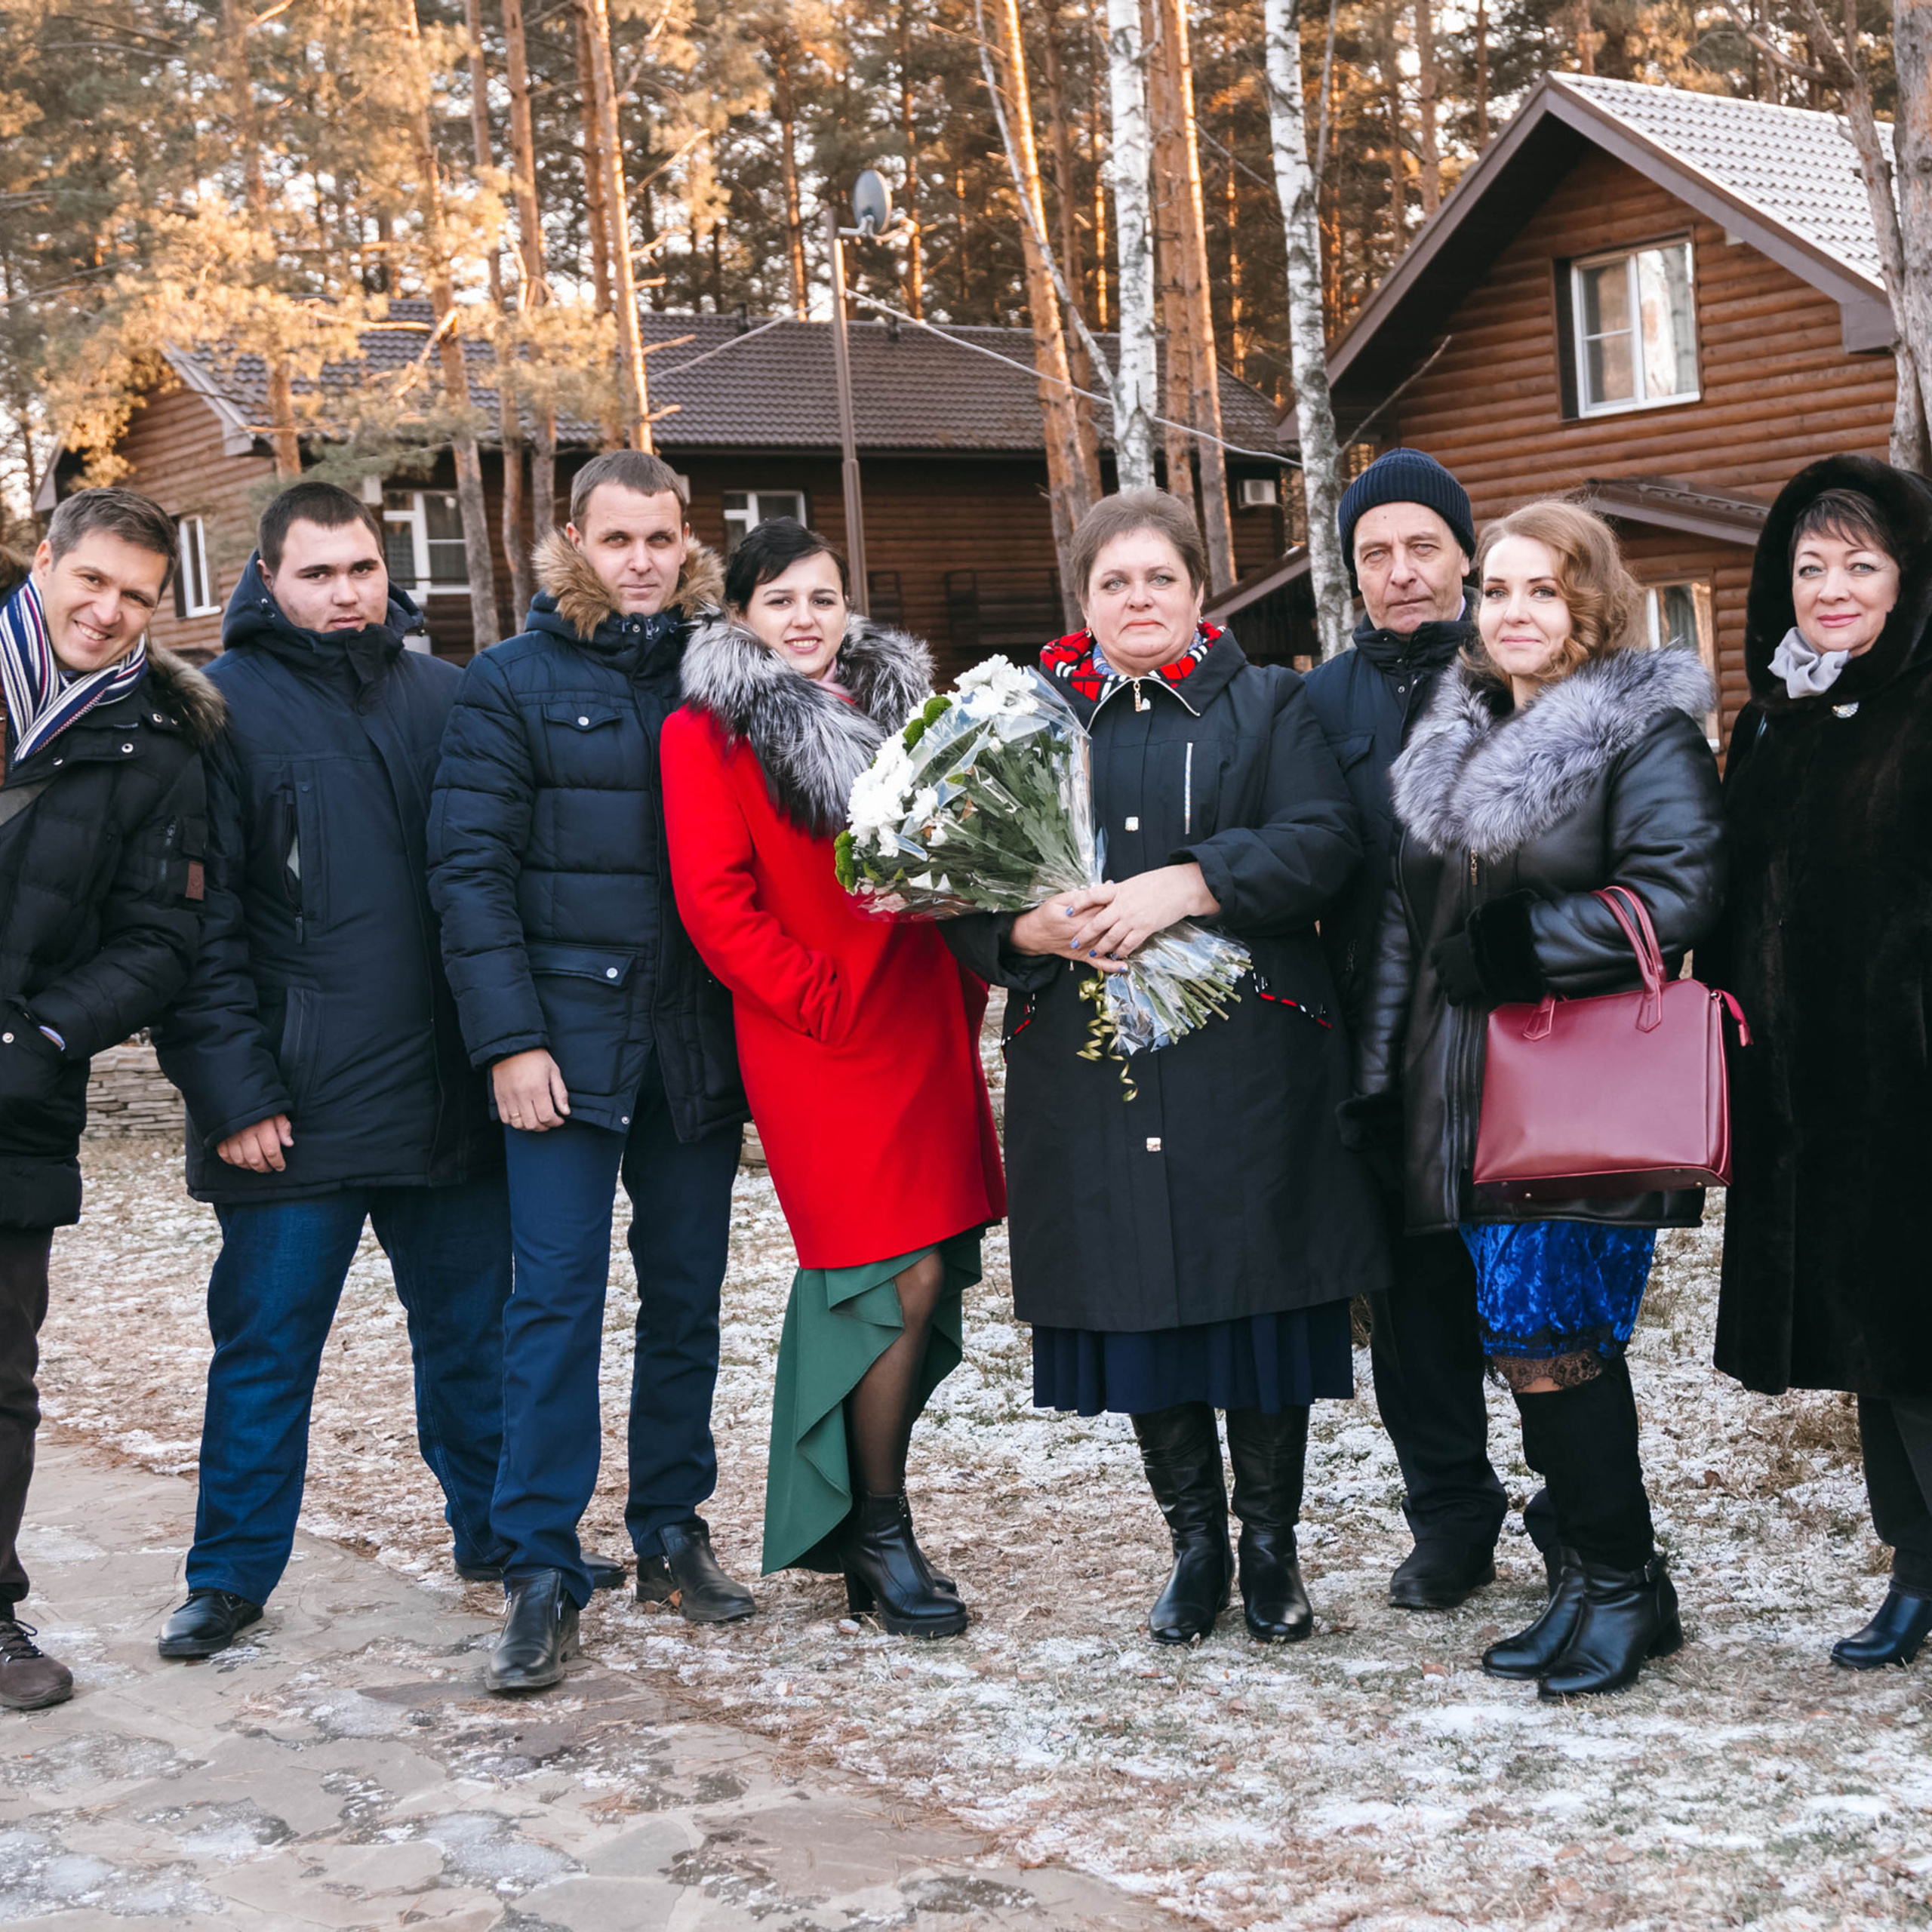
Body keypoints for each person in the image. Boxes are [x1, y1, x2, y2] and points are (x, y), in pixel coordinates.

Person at [946, 489, 1387, 1647]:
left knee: (1257, 1298)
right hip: (1092, 1067)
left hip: (1246, 1060)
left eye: (1160, 579)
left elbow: (1324, 842)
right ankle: (1194, 1548)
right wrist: (1021, 935)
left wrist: (1187, 884)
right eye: (1114, 583)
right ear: (1082, 602)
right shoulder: (1033, 723)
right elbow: (961, 881)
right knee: (1139, 1298)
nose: (1139, 600)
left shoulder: (1270, 703)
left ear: (1200, 590)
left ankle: (1270, 1548)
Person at [151, 481, 528, 1661]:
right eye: (317, 574)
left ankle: (499, 1534)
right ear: (267, 580)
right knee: (265, 1349)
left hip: (447, 1102)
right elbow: (193, 928)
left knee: (476, 1338)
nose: (345, 593)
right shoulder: (219, 712)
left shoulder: (450, 696)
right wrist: (234, 1093)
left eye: (361, 569)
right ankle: (228, 1577)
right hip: (292, 1113)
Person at [1353, 500, 1724, 1697]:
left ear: (1591, 605)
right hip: (1464, 1094)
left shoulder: (1639, 737)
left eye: (1543, 591)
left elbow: (1678, 896)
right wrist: (1376, 1083)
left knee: (1552, 1338)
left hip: (1584, 1096)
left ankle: (1617, 1583)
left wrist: (1519, 951)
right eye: (1500, 591)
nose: (1514, 612)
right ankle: (1604, 1583)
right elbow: (1410, 938)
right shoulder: (1449, 737)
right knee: (1529, 1342)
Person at [429, 450, 749, 1694]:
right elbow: (469, 874)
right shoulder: (508, 683)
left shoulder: (724, 676)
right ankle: (539, 1564)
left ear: (688, 540)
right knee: (552, 1308)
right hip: (560, 1053)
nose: (641, 563)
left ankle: (671, 1528)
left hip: (694, 1050)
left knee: (686, 1299)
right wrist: (510, 1040)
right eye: (616, 540)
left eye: (660, 540)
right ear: (574, 539)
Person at [660, 518, 1004, 1635]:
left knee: (928, 1273)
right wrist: (819, 1004)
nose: (805, 619)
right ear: (741, 617)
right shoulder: (704, 735)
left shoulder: (907, 718)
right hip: (818, 1037)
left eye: (823, 597)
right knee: (875, 1278)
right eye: (780, 602)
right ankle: (875, 1529)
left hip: (922, 1023)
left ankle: (877, 1525)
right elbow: (718, 907)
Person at [1305, 446, 1559, 1613]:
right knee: (1413, 1306)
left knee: (1537, 1286)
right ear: (1352, 572)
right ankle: (1451, 1518)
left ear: (1465, 555)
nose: (1401, 574)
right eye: (1375, 555)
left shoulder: (1525, 672)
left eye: (1422, 547)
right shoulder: (1320, 703)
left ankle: (1575, 1506)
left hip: (1526, 1040)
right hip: (1382, 1049)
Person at [1708, 455, 1932, 1671]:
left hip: (1913, 1084)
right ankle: (1914, 1564)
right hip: (1809, 1092)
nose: (1832, 590)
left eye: (1862, 565)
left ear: (1907, 578)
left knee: (1919, 1342)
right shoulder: (1779, 719)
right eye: (1810, 567)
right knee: (1867, 1342)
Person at [0, 487, 222, 1708]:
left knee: (0, 1374)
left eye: (137, 595)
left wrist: (37, 1034)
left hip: (17, 1085)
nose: (108, 611)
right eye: (92, 581)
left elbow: (159, 938)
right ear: (47, 561)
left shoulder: (161, 744)